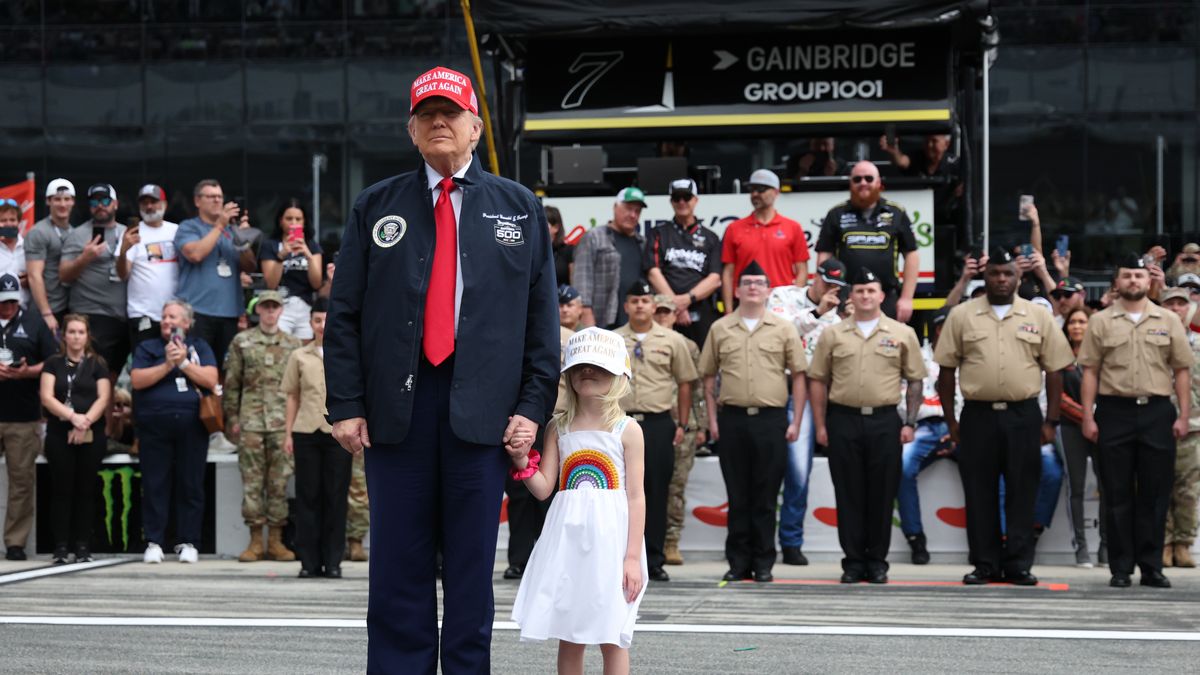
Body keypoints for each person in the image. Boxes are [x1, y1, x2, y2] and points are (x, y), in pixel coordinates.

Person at [324, 65, 559, 673]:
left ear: (475, 127)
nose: (438, 122)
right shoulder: (375, 206)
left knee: (471, 569)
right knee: (397, 566)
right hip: (396, 413)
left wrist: (532, 410)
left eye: (450, 113)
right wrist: (346, 405)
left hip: (483, 415)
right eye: (426, 114)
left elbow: (541, 324)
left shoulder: (520, 207)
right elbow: (343, 314)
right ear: (411, 129)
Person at [509, 327, 648, 671]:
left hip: (611, 540)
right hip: (567, 538)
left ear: (619, 374)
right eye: (580, 367)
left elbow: (636, 496)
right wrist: (522, 460)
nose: (588, 372)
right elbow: (544, 488)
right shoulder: (558, 427)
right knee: (569, 630)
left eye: (599, 367)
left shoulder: (627, 429)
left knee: (611, 632)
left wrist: (631, 557)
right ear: (568, 376)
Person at [934, 247, 1073, 586]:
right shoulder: (962, 315)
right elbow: (947, 372)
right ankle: (985, 563)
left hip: (1023, 415)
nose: (1001, 279)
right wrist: (951, 421)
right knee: (979, 491)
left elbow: (1054, 370)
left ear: (1018, 277)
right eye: (995, 273)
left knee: (1022, 490)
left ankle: (1018, 564)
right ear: (985, 275)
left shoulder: (1038, 315)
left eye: (1007, 273)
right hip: (977, 416)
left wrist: (1051, 421)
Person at [1079, 257, 1194, 588]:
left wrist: (1184, 415)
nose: (1133, 280)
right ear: (1117, 282)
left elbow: (1182, 371)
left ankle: (1151, 565)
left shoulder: (1168, 320)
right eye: (1127, 275)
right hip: (1114, 411)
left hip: (1157, 411)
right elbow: (1090, 371)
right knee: (1116, 493)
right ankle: (1120, 567)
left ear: (1148, 281)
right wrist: (1088, 415)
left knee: (1155, 493)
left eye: (1139, 275)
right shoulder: (1101, 321)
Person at [808, 269, 925, 584]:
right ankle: (853, 561)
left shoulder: (902, 333)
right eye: (859, 291)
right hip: (842, 419)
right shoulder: (832, 334)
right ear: (851, 296)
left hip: (885, 421)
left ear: (881, 296)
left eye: (871, 291)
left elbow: (915, 380)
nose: (865, 296)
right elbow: (818, 381)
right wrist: (820, 425)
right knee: (848, 494)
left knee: (882, 493)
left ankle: (877, 562)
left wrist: (910, 422)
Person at [700, 261, 806, 583]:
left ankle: (763, 563)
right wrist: (712, 421)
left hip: (771, 420)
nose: (753, 288)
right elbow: (708, 378)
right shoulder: (720, 328)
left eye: (759, 283)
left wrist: (796, 421)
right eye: (747, 282)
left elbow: (799, 376)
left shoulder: (784, 328)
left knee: (765, 494)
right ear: (737, 289)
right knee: (738, 494)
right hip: (732, 419)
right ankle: (738, 562)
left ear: (768, 290)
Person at [615, 279, 698, 582]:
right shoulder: (611, 339)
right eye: (634, 300)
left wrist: (683, 423)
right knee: (620, 491)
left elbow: (686, 381)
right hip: (620, 423)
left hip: (658, 423)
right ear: (626, 305)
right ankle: (620, 555)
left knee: (656, 490)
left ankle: (655, 557)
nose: (640, 305)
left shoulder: (672, 340)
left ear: (653, 306)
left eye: (645, 301)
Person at [766, 257, 847, 565]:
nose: (830, 290)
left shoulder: (836, 321)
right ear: (816, 277)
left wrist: (830, 314)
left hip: (807, 395)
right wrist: (817, 312)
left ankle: (790, 541)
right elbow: (778, 333)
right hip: (771, 388)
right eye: (827, 282)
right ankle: (757, 542)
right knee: (764, 469)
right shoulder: (782, 295)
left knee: (799, 472)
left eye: (837, 287)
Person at [130, 299, 220, 564]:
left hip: (193, 426)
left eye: (173, 317)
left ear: (186, 323)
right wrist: (168, 364)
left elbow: (212, 380)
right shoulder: (148, 347)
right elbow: (137, 380)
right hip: (154, 426)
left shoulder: (199, 346)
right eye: (164, 316)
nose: (167, 321)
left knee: (190, 484)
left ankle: (188, 541)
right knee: (155, 484)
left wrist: (184, 364)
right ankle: (154, 541)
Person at [504, 285, 577, 579]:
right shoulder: (519, 332)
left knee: (554, 493)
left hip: (559, 421)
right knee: (520, 493)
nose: (561, 309)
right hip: (523, 418)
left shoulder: (575, 341)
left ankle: (551, 557)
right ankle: (519, 559)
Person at [223, 290, 301, 563]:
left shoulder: (293, 345)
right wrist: (232, 419)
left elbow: (296, 389)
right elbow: (232, 384)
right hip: (252, 422)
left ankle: (277, 541)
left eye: (274, 307)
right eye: (265, 307)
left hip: (282, 424)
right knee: (252, 484)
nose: (270, 312)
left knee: (279, 482)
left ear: (281, 311)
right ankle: (256, 540)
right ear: (258, 311)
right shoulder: (242, 342)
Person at [282, 298, 350, 577]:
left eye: (326, 319)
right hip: (306, 430)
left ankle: (333, 561)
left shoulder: (346, 353)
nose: (322, 326)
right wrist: (288, 433)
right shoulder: (299, 355)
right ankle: (309, 562)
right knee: (307, 496)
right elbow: (292, 397)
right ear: (310, 323)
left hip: (337, 432)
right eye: (317, 320)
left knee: (336, 496)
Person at [39, 314, 110, 564]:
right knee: (61, 489)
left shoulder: (97, 364)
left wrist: (85, 420)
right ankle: (60, 545)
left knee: (85, 490)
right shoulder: (53, 363)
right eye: (72, 332)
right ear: (64, 336)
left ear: (87, 336)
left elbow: (103, 397)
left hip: (90, 432)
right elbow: (47, 397)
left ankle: (82, 545)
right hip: (60, 432)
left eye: (81, 332)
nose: (76, 336)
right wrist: (72, 417)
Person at [816, 161, 919, 322]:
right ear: (850, 184)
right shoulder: (836, 213)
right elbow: (824, 256)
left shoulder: (896, 212)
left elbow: (912, 255)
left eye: (869, 179)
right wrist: (824, 294)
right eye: (857, 179)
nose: (863, 183)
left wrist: (906, 298)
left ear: (878, 183)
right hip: (846, 297)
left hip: (885, 296)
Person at [0, 273, 57, 560]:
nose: (8, 307)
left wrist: (28, 371)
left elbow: (54, 362)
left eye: (12, 301)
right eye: (3, 302)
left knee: (21, 481)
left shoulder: (35, 323)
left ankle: (15, 542)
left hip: (22, 414)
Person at [896, 307, 959, 565]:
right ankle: (915, 537)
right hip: (923, 426)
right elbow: (904, 397)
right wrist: (909, 423)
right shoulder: (917, 357)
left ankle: (996, 539)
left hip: (960, 427)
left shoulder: (969, 357)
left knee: (987, 470)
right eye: (945, 328)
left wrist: (957, 431)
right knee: (901, 467)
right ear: (936, 329)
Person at [175, 179, 257, 369]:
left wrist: (243, 239)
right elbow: (195, 254)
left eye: (220, 197)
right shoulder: (188, 227)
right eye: (211, 196)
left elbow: (250, 266)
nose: (217, 201)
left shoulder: (232, 230)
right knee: (197, 368)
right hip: (197, 312)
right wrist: (219, 225)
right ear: (197, 201)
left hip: (229, 312)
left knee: (226, 372)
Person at [653, 293, 705, 565]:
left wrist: (701, 424)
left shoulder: (687, 346)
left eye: (667, 312)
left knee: (676, 486)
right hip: (650, 421)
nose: (662, 317)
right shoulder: (637, 342)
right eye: (658, 312)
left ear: (676, 316)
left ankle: (671, 541)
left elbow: (696, 389)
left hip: (682, 424)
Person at [59, 184, 129, 376]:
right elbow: (64, 275)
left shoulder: (127, 234)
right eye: (95, 201)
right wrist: (84, 258)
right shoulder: (77, 235)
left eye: (105, 201)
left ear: (115, 204)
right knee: (90, 376)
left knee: (112, 376)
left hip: (122, 315)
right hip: (90, 313)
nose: (100, 206)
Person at [645, 178, 722, 345]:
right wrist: (675, 305)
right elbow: (653, 272)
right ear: (671, 201)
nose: (681, 202)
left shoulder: (711, 237)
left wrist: (686, 300)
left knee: (702, 362)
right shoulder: (658, 233)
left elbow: (715, 278)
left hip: (700, 309)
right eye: (676, 198)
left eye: (686, 197)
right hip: (664, 310)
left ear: (695, 200)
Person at [720, 169, 809, 314]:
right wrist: (728, 311)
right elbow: (728, 273)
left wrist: (792, 304)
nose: (755, 194)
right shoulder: (734, 228)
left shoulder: (793, 227)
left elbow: (802, 271)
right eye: (752, 189)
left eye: (761, 189)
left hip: (782, 306)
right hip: (745, 304)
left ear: (776, 192)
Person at [1058, 306, 1106, 568]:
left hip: (1103, 429)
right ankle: (1081, 548)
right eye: (1072, 322)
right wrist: (1087, 416)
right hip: (1070, 427)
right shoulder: (1060, 356)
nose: (1077, 326)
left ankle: (1106, 548)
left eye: (1082, 322)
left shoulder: (1101, 355)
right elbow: (1059, 398)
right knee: (1075, 487)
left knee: (1108, 487)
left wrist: (1099, 419)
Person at [1160, 288, 1200, 568]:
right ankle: (1163, 542)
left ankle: (1183, 544)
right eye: (1170, 304)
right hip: (1157, 422)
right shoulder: (1152, 341)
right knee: (1158, 484)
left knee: (1187, 489)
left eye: (1181, 304)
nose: (1176, 309)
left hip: (1194, 425)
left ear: (1190, 309)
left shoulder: (1198, 342)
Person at [574, 187, 648, 329]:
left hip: (634, 323)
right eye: (628, 208)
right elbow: (582, 278)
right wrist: (587, 316)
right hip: (602, 319)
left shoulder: (642, 242)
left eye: (637, 211)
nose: (633, 215)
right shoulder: (594, 236)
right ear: (615, 207)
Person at [118, 184, 180, 348]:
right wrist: (124, 251)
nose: (149, 206)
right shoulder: (132, 233)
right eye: (144, 203)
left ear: (165, 205)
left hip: (175, 314)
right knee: (144, 365)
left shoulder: (177, 231)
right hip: (143, 314)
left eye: (154, 202)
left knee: (176, 361)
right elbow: (123, 274)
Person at [260, 199, 323, 340]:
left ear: (304, 222)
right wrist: (281, 256)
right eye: (289, 218)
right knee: (282, 350)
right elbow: (271, 284)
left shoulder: (312, 246)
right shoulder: (270, 246)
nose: (293, 223)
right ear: (280, 221)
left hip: (305, 307)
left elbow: (317, 283)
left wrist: (308, 255)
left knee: (304, 353)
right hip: (280, 307)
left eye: (298, 219)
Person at [25, 178, 76, 334]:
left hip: (68, 308)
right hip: (47, 310)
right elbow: (34, 275)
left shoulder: (73, 232)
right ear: (48, 201)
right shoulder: (38, 232)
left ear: (73, 202)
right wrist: (46, 313)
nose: (62, 204)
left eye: (67, 199)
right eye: (57, 199)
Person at [0, 200, 29, 308]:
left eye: (12, 220)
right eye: (3, 220)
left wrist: (29, 280)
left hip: (25, 310)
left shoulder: (28, 246)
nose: (8, 224)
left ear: (19, 222)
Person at [546, 205, 574, 287]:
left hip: (563, 298)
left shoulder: (568, 251)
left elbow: (575, 285)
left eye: (544, 224)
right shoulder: (533, 252)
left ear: (556, 227)